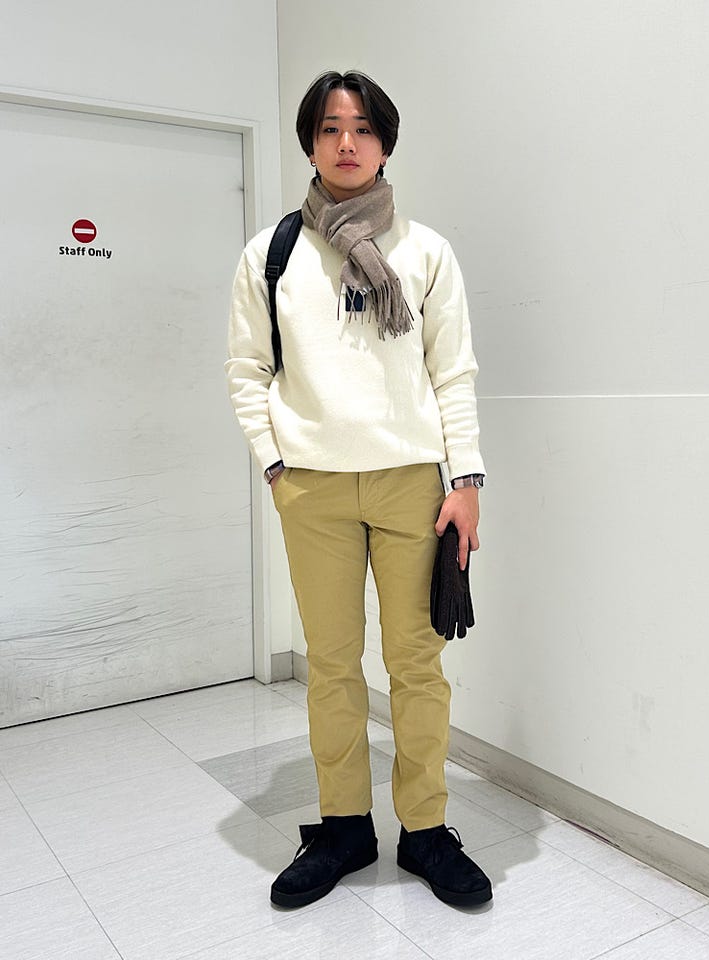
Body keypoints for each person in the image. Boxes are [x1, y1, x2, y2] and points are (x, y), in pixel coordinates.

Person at [225, 70, 492, 909]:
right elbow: (246, 370)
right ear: (311, 143)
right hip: (314, 490)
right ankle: (343, 827)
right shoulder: (271, 254)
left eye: (364, 128)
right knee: (333, 664)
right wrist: (276, 465)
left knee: (416, 664)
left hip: (412, 484)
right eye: (331, 128)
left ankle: (425, 830)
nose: (348, 143)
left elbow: (452, 374)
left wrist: (466, 480)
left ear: (385, 143)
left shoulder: (425, 251)